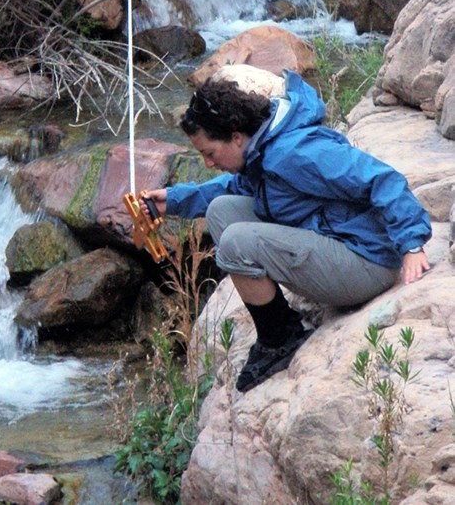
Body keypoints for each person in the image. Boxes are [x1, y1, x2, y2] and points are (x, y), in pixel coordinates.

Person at [142, 70, 432, 393]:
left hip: (367, 262)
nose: (208, 162)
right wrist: (175, 200)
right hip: (334, 240)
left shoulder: (293, 152)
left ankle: (279, 342)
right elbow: (235, 186)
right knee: (220, 212)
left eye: (209, 153)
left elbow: (381, 178)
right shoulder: (262, 148)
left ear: (236, 136)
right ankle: (281, 326)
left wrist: (412, 245)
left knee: (238, 243)